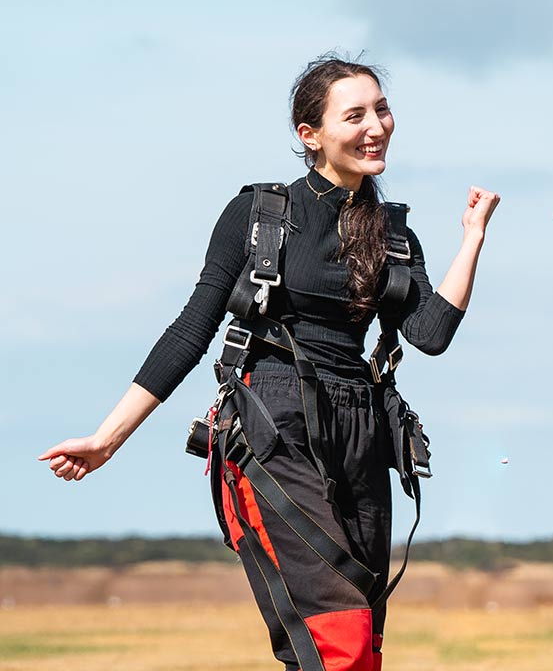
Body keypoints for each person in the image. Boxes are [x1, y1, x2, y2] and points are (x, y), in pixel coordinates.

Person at [40, 55, 500, 671]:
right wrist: (107, 438)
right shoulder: (260, 214)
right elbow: (192, 328)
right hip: (272, 423)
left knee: (361, 645)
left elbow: (431, 333)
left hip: (362, 431)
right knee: (338, 639)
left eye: (382, 110)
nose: (376, 127)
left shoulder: (394, 235)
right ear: (310, 135)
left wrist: (471, 238)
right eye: (355, 115)